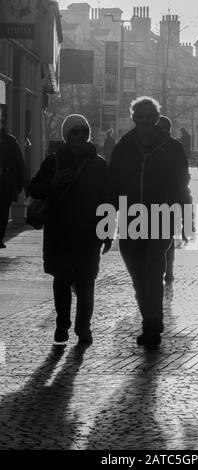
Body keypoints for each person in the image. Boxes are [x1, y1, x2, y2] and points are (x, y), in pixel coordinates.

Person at [109, 97, 192, 346]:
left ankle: (152, 325)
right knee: (138, 277)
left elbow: (182, 186)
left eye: (148, 116)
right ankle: (150, 318)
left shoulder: (172, 148)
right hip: (131, 219)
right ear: (134, 118)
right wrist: (106, 222)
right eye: (139, 116)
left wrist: (187, 221)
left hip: (160, 218)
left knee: (154, 273)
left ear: (156, 118)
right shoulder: (124, 146)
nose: (144, 121)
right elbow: (112, 185)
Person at [28, 114, 112, 346]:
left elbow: (108, 199)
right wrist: (53, 182)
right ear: (66, 135)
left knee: (86, 283)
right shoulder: (53, 162)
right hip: (60, 232)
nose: (80, 136)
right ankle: (62, 324)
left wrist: (107, 231)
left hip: (89, 233)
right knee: (62, 281)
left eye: (84, 131)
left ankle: (83, 327)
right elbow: (34, 189)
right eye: (75, 132)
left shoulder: (98, 164)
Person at [0, 118, 24, 248]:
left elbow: (19, 164)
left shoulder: (10, 141)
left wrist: (18, 184)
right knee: (3, 212)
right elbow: (20, 164)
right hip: (6, 185)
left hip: (5, 184)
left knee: (3, 212)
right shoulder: (10, 141)